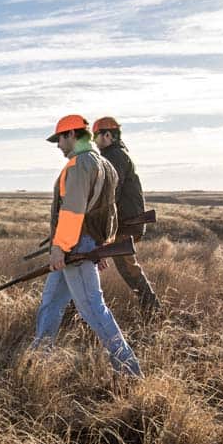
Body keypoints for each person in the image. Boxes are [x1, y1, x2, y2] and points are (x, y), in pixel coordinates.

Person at [31, 114, 142, 377]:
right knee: (50, 304)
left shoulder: (80, 164)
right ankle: (38, 359)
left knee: (92, 308)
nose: (58, 145)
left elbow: (73, 210)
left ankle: (130, 370)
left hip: (74, 246)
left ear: (71, 135)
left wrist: (60, 248)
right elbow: (109, 212)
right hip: (84, 244)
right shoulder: (105, 165)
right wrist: (102, 246)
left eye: (59, 139)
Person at [92, 117, 161, 315]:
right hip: (124, 224)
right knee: (97, 264)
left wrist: (101, 230)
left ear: (108, 135)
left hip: (124, 225)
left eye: (97, 136)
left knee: (127, 269)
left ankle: (154, 311)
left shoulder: (114, 156)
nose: (95, 141)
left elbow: (111, 194)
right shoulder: (117, 155)